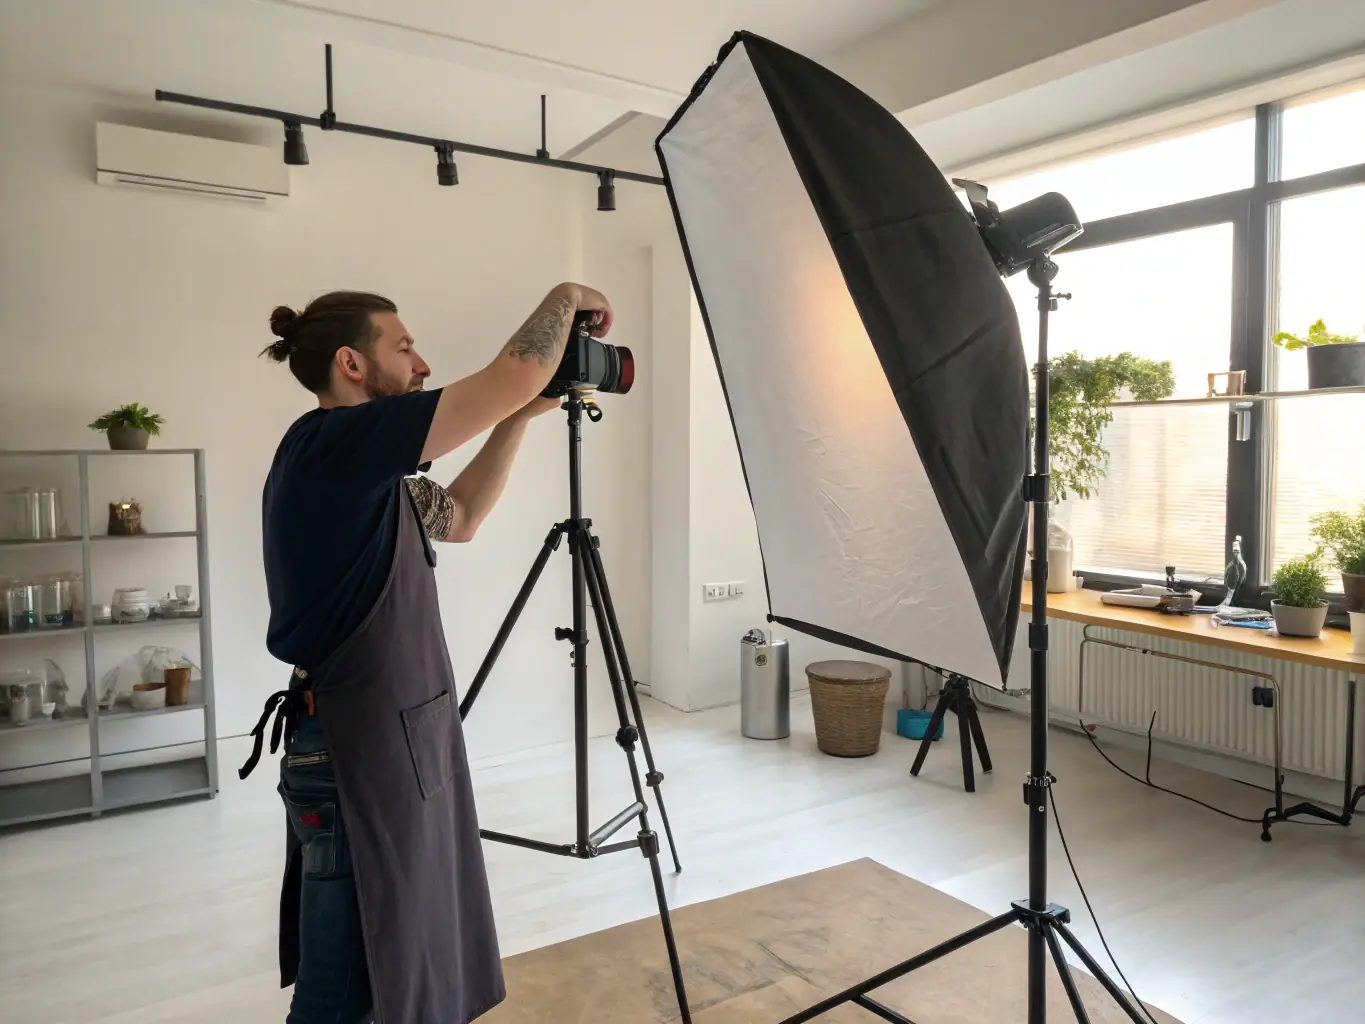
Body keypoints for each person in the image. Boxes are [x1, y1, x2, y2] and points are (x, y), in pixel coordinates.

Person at [240, 283, 613, 1024]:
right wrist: (566, 296)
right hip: (351, 751)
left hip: (389, 742)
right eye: (402, 346)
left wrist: (520, 418)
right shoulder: (334, 444)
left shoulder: (370, 475)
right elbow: (510, 373)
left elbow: (463, 517)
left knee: (386, 967)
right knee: (335, 996)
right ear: (351, 363)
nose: (420, 363)